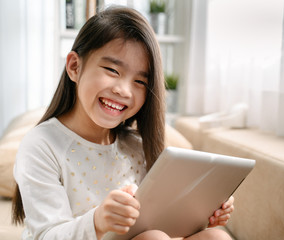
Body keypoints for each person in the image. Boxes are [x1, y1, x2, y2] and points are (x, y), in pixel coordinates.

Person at [12, 7, 234, 240]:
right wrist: (97, 221)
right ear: (74, 67)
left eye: (139, 81)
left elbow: (160, 223)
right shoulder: (41, 145)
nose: (124, 90)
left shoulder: (136, 145)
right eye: (112, 70)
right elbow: (47, 235)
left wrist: (201, 213)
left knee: (216, 237)